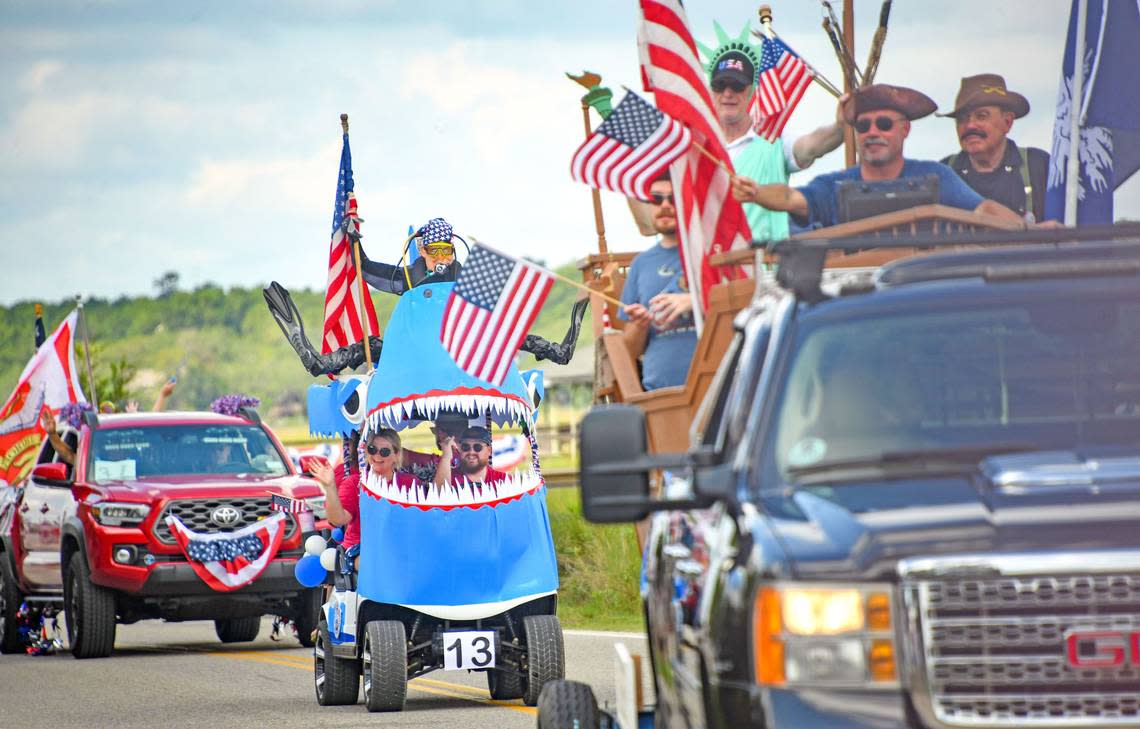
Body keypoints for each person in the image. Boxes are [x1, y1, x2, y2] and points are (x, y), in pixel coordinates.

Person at [730, 83, 1027, 229]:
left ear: (905, 130)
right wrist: (756, 192)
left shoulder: (936, 178)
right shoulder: (831, 186)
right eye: (863, 125)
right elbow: (789, 198)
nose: (873, 132)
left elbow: (983, 210)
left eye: (884, 124)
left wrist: (1032, 231)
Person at [705, 25, 846, 241]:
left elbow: (812, 147)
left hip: (764, 267)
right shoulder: (696, 145)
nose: (728, 94)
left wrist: (841, 125)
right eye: (720, 86)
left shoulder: (774, 139)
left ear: (752, 90)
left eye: (737, 86)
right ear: (709, 90)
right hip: (711, 268)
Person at [619, 174, 697, 391]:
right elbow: (630, 352)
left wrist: (696, 300)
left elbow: (741, 306)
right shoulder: (641, 264)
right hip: (659, 391)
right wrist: (639, 325)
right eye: (656, 199)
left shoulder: (710, 252)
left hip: (715, 387)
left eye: (673, 198)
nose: (665, 205)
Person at [938, 74, 1050, 223]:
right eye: (962, 119)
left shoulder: (1038, 165)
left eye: (981, 116)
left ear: (1007, 122)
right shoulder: (944, 172)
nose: (970, 125)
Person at [313, 428, 413, 561]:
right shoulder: (354, 483)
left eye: (384, 452)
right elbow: (338, 520)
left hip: (399, 548)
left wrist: (446, 456)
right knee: (380, 562)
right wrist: (330, 487)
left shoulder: (409, 483)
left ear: (396, 455)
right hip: (361, 549)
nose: (377, 456)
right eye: (372, 449)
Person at [354, 217, 464, 295]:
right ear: (423, 251)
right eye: (434, 250)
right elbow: (366, 269)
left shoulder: (462, 276)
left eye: (446, 250)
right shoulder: (410, 276)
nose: (440, 257)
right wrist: (353, 242)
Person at [400, 412, 469, 482]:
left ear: (441, 433)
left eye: (434, 430)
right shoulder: (475, 460)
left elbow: (399, 456)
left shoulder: (439, 463)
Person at [433, 426, 508, 486]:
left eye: (477, 447)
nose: (471, 452)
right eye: (465, 447)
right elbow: (437, 498)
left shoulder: (503, 480)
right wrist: (446, 457)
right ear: (460, 450)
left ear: (489, 451)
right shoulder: (448, 477)